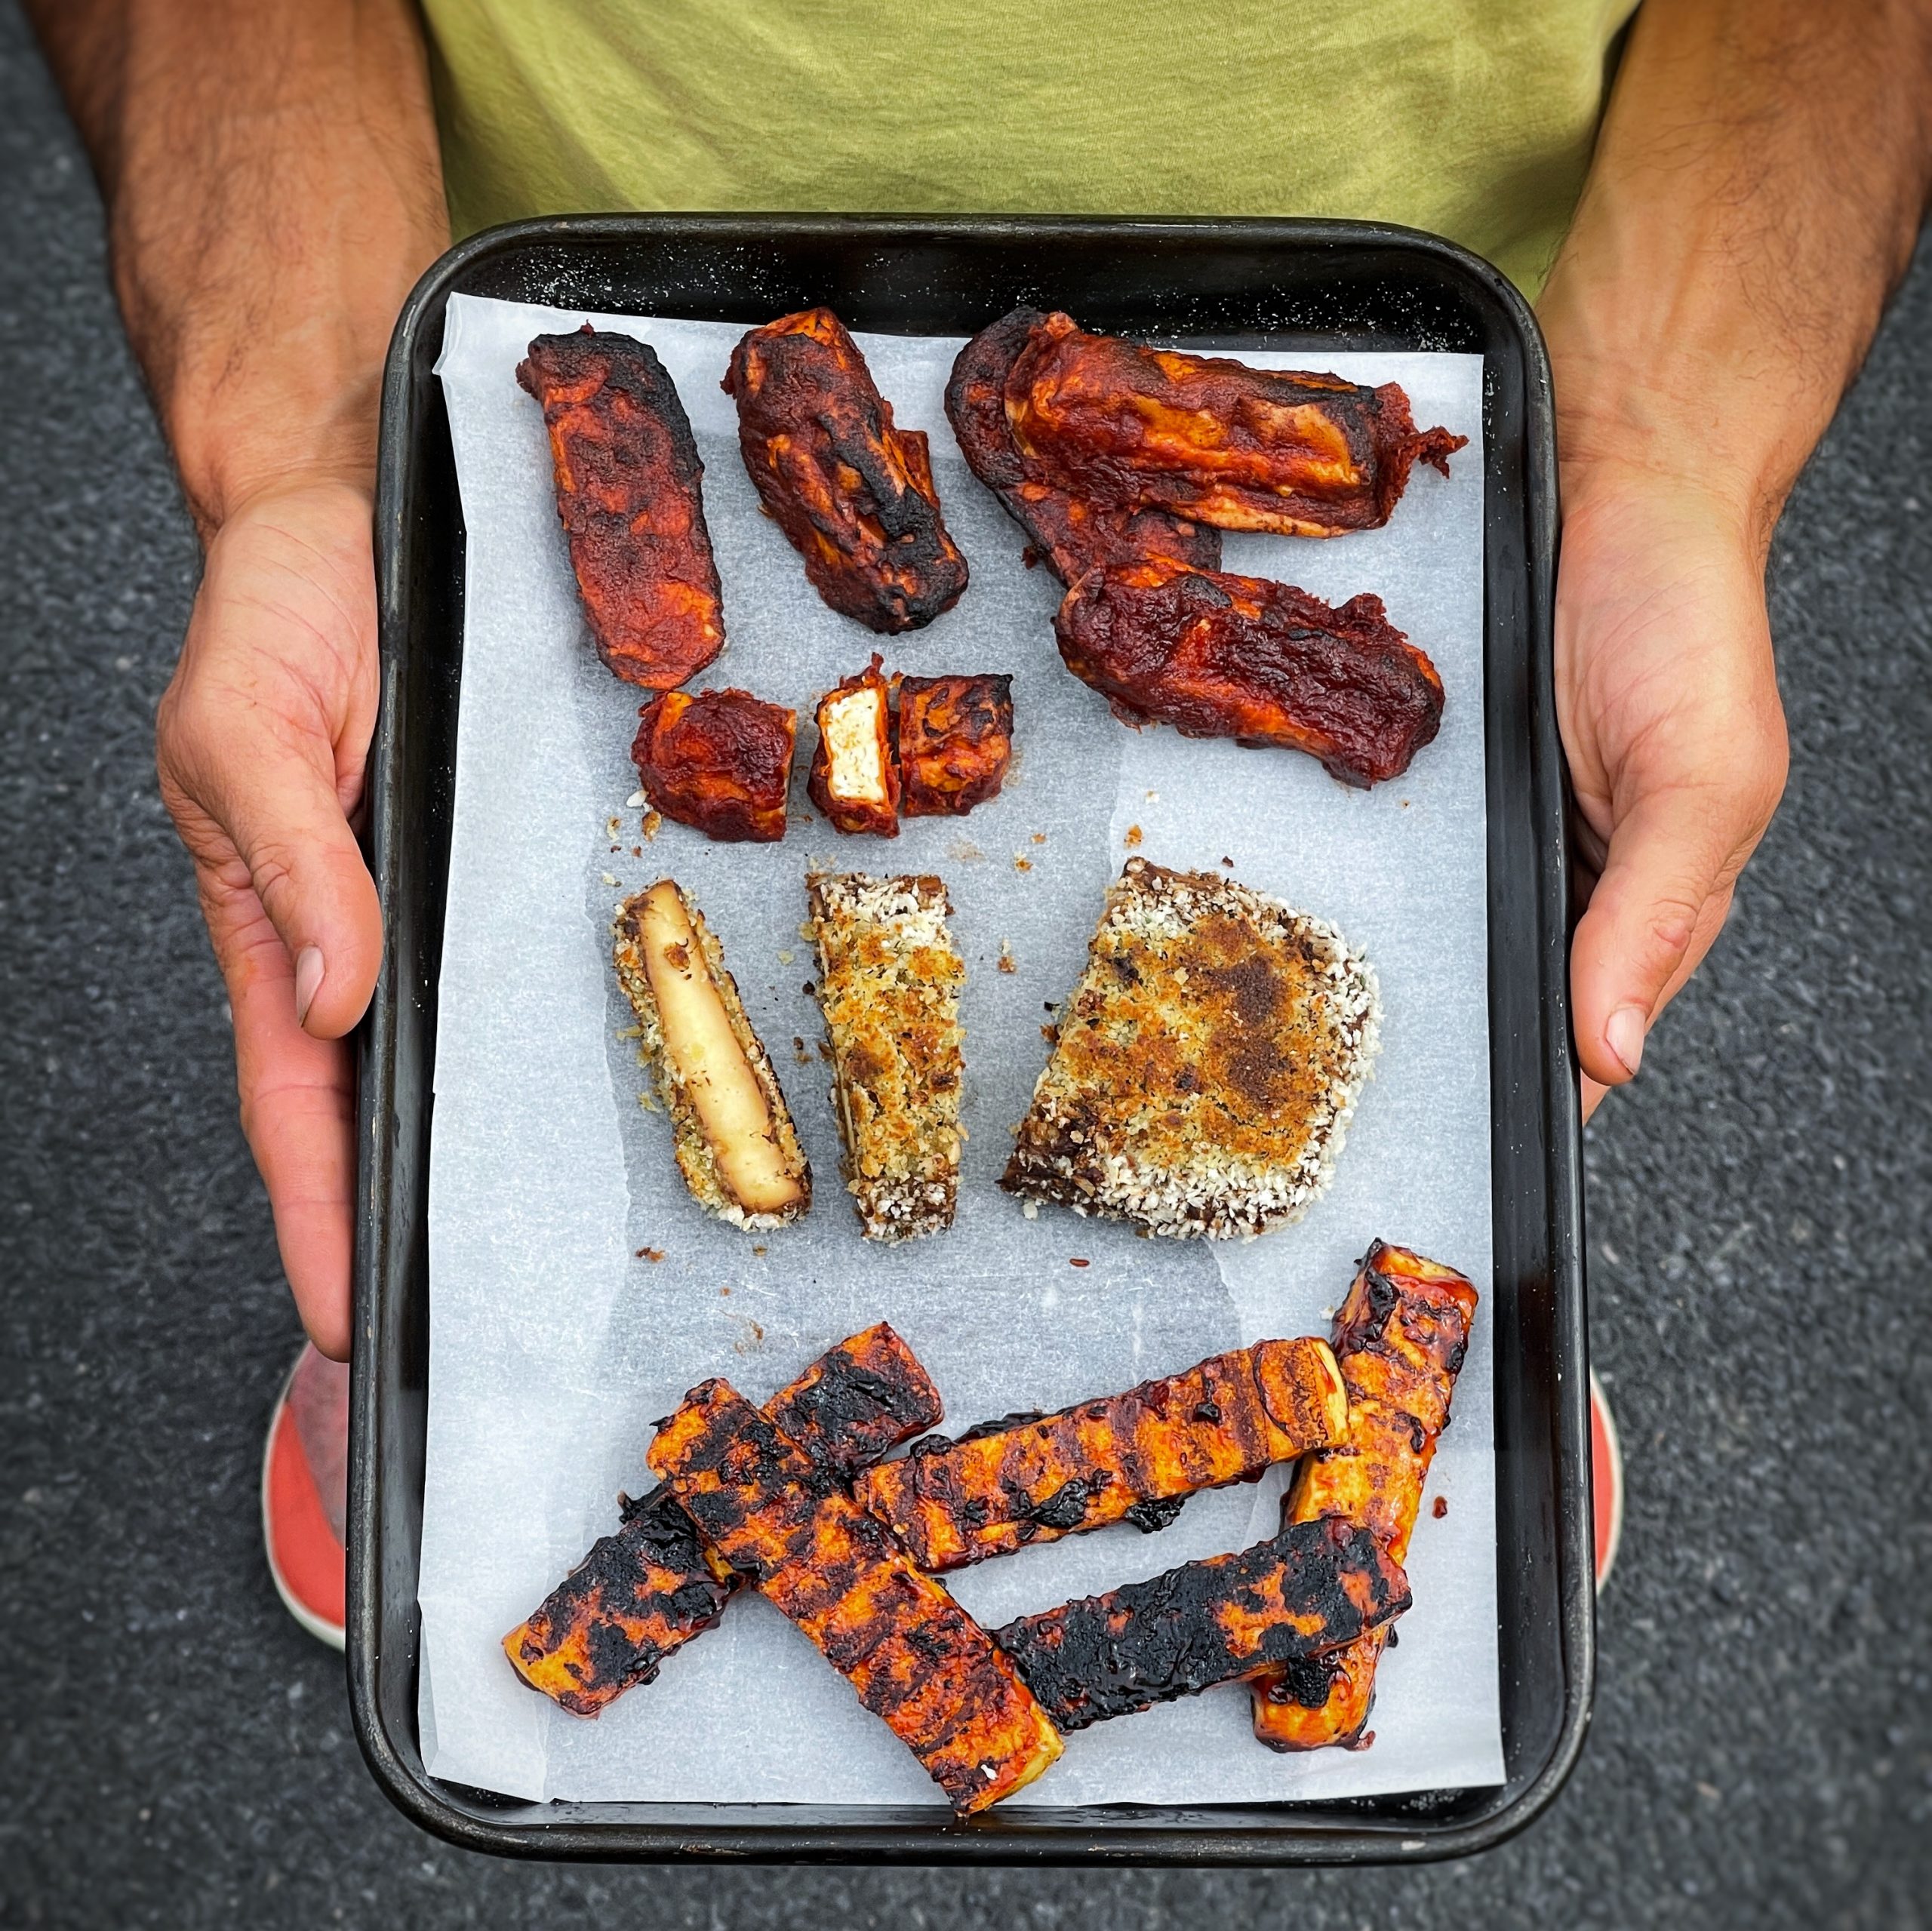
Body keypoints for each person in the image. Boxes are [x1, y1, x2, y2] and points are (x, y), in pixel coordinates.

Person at [23, 0, 1930, 1644]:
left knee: (1433, 1138)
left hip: (1438, 305)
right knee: (433, 1107)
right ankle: (453, 1356)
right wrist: (305, 448)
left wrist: (1656, 451)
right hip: (547, 229)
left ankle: (1389, 1379)